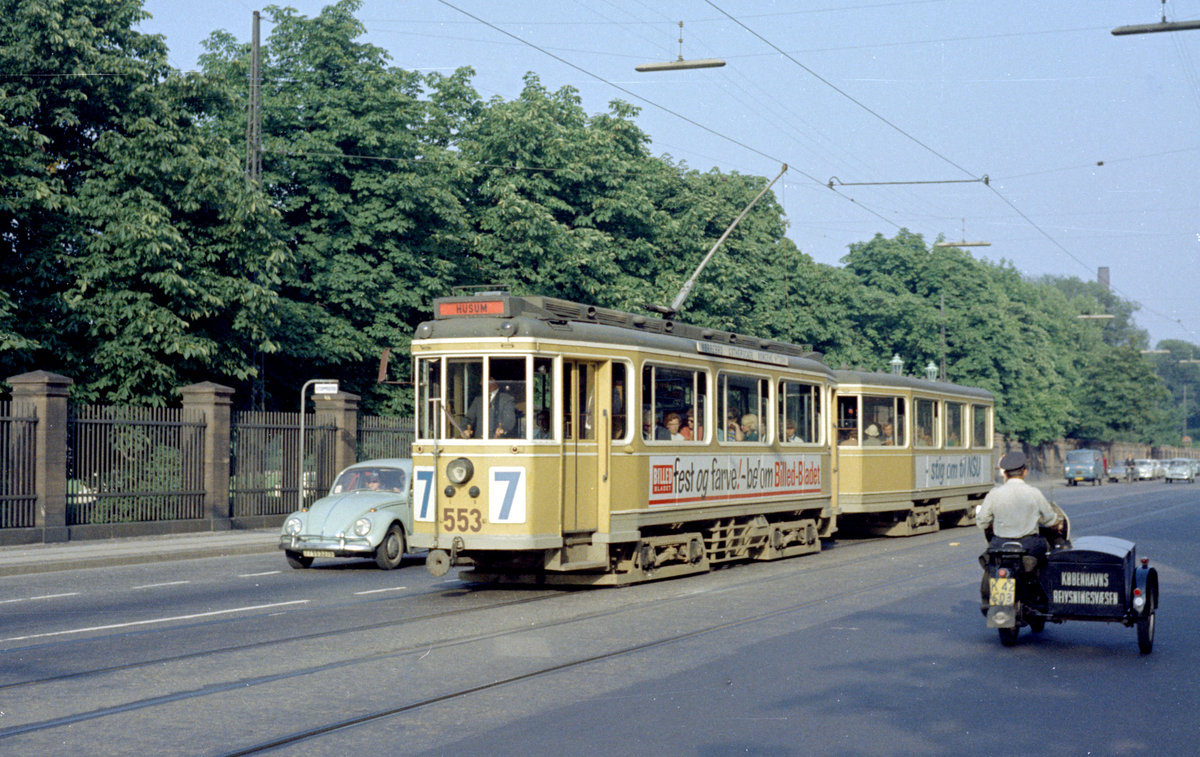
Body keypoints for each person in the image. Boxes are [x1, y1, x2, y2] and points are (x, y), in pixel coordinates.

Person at [976, 450, 1062, 551]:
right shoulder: (1034, 493)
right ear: (1025, 472)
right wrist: (1057, 524)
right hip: (1029, 545)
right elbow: (1050, 520)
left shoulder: (994, 494)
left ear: (1005, 474)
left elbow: (982, 522)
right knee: (1045, 560)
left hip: (1000, 545)